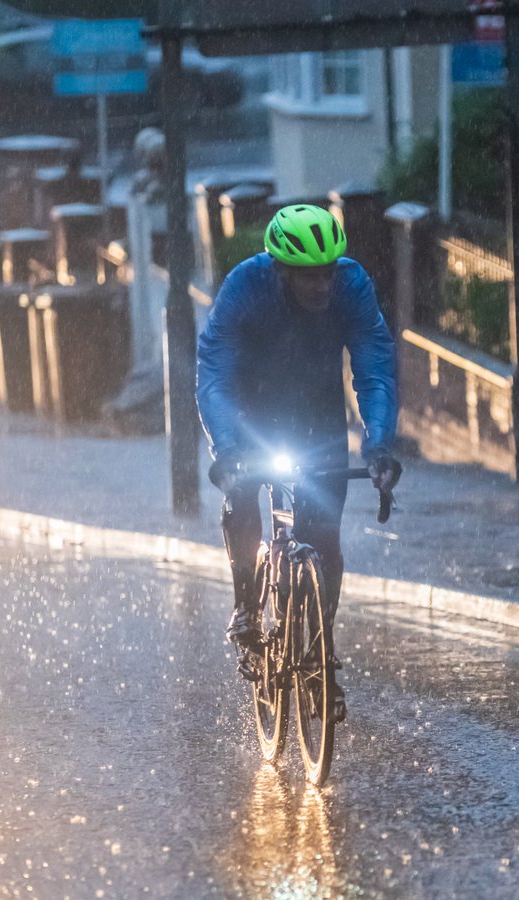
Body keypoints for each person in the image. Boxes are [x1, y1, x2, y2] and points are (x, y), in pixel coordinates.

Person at [196, 204, 402, 714]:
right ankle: (246, 601)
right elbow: (215, 373)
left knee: (325, 539)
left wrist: (377, 444)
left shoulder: (352, 287)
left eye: (328, 271)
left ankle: (319, 652)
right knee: (242, 489)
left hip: (316, 414)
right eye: (309, 275)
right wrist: (226, 451)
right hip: (250, 410)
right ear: (282, 269)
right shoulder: (246, 286)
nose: (322, 285)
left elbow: (374, 367)